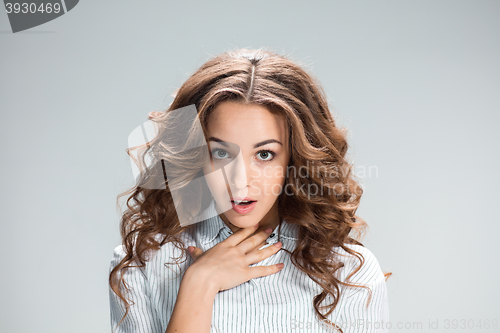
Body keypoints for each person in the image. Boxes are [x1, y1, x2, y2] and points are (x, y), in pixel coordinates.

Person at [108, 48, 391, 333]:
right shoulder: (142, 264)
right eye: (220, 153)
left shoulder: (350, 273)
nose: (240, 181)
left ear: (294, 158)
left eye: (265, 155)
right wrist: (199, 285)